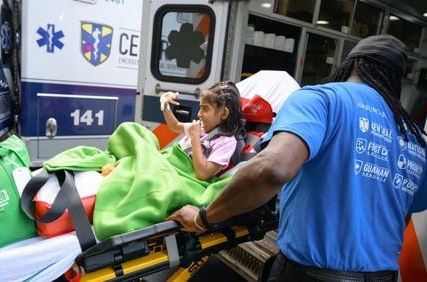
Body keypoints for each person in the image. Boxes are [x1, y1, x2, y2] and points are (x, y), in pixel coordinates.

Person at [168, 34, 427, 281]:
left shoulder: (322, 99)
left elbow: (272, 170)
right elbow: (400, 215)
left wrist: (204, 218)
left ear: (350, 64)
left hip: (311, 275)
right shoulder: (415, 137)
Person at [159, 81, 246, 180]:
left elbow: (202, 174)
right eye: (200, 108)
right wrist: (165, 105)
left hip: (184, 179)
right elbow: (174, 125)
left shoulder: (226, 142)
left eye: (205, 109)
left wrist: (195, 139)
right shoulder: (200, 128)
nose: (199, 114)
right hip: (171, 168)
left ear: (224, 113)